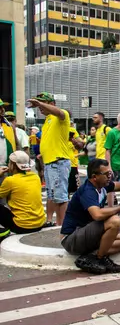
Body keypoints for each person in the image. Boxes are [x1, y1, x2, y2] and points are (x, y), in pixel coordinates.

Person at [60, 158, 120, 274]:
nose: (110, 176)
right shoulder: (88, 191)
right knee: (115, 221)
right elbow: (97, 215)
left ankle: (92, 256)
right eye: (107, 174)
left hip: (87, 234)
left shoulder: (103, 186)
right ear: (95, 177)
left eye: (110, 173)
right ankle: (99, 258)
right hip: (71, 238)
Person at [28, 92, 71, 226]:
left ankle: (62, 227)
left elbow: (60, 113)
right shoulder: (48, 120)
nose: (39, 108)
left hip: (58, 161)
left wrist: (39, 103)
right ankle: (56, 224)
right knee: (53, 196)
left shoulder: (61, 115)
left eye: (43, 103)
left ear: (51, 104)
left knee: (60, 197)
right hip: (50, 163)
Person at [0, 151, 46, 235]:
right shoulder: (36, 177)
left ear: (12, 165)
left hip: (22, 226)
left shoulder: (10, 180)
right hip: (39, 223)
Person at [68, 122, 85, 194]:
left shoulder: (72, 130)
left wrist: (74, 142)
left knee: (74, 188)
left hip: (72, 163)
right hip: (65, 163)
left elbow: (82, 143)